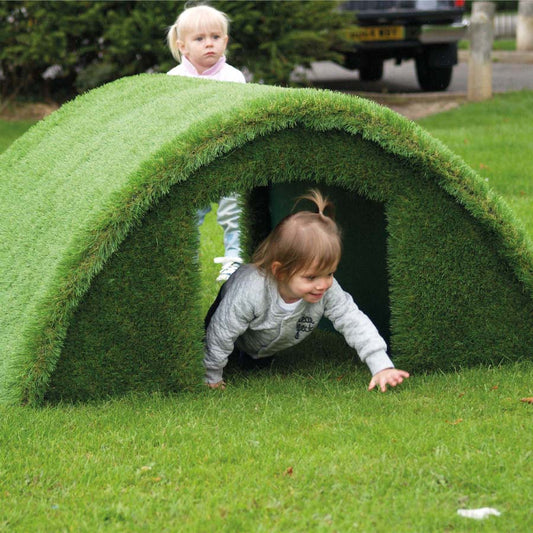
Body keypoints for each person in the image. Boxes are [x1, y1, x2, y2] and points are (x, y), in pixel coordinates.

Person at [204, 189, 410, 391]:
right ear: (280, 272)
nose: (323, 284)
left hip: (263, 341)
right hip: (231, 318)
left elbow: (352, 319)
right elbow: (222, 330)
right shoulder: (251, 291)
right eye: (311, 277)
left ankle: (249, 357)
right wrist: (212, 374)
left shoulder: (326, 290)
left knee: (254, 366)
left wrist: (381, 365)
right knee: (214, 342)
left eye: (329, 274)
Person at [167, 4, 246, 281]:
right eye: (199, 39)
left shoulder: (234, 78)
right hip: (192, 159)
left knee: (233, 206)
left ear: (225, 41)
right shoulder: (175, 80)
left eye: (215, 37)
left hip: (228, 156)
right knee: (190, 209)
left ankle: (235, 257)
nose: (208, 44)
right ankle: (186, 258)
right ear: (183, 46)